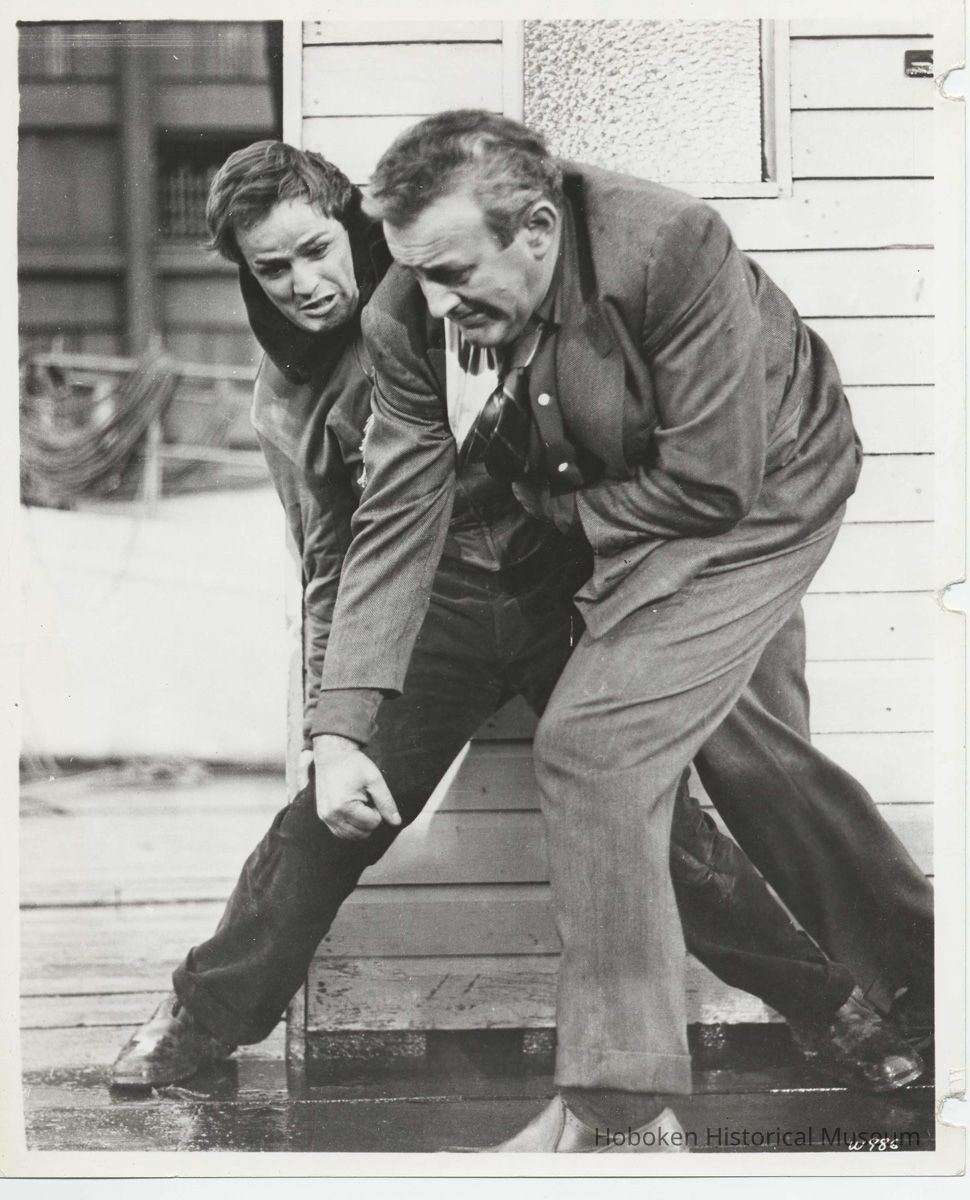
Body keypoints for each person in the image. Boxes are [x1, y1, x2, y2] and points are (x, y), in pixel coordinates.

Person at [110, 142, 928, 1124]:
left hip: (561, 589)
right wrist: (334, 726)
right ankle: (198, 1017)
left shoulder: (456, 287)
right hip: (431, 614)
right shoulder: (283, 394)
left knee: (654, 828)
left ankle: (831, 1010)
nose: (302, 285)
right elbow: (330, 558)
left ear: (355, 229)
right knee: (328, 821)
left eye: (315, 251)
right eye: (271, 269)